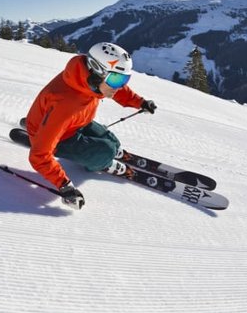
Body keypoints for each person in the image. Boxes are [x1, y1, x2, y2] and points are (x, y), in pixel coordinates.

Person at [24, 42, 157, 210]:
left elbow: (116, 89)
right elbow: (38, 156)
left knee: (113, 143)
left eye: (124, 78)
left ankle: (105, 154)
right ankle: (103, 162)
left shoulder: (85, 78)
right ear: (96, 71)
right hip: (59, 137)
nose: (120, 85)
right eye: (116, 79)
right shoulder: (65, 104)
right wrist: (65, 185)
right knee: (106, 153)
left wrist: (140, 102)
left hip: (76, 123)